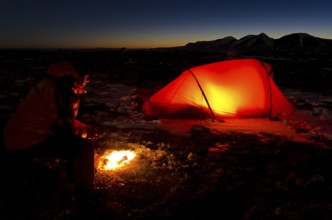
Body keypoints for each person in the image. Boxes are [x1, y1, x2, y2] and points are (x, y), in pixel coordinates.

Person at [2, 59, 99, 194]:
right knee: (83, 147)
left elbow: (55, 118)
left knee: (72, 143)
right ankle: (85, 194)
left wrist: (82, 126)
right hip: (25, 145)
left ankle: (68, 175)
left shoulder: (50, 83)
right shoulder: (62, 91)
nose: (87, 82)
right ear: (78, 75)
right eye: (86, 78)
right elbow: (63, 130)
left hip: (15, 138)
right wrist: (86, 133)